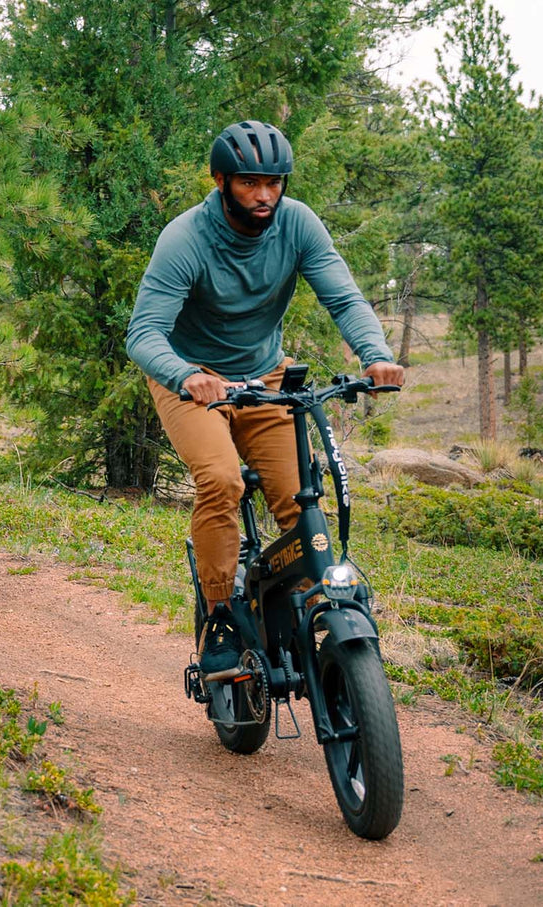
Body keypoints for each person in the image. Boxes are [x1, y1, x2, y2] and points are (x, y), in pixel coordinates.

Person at [126, 120, 404, 680]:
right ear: (222, 180)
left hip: (264, 379)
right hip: (192, 381)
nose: (264, 196)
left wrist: (374, 354)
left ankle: (299, 616)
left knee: (300, 502)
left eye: (274, 183)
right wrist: (185, 375)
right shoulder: (186, 238)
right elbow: (144, 332)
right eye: (250, 183)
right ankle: (222, 619)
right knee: (222, 480)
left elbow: (343, 297)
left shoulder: (297, 224)